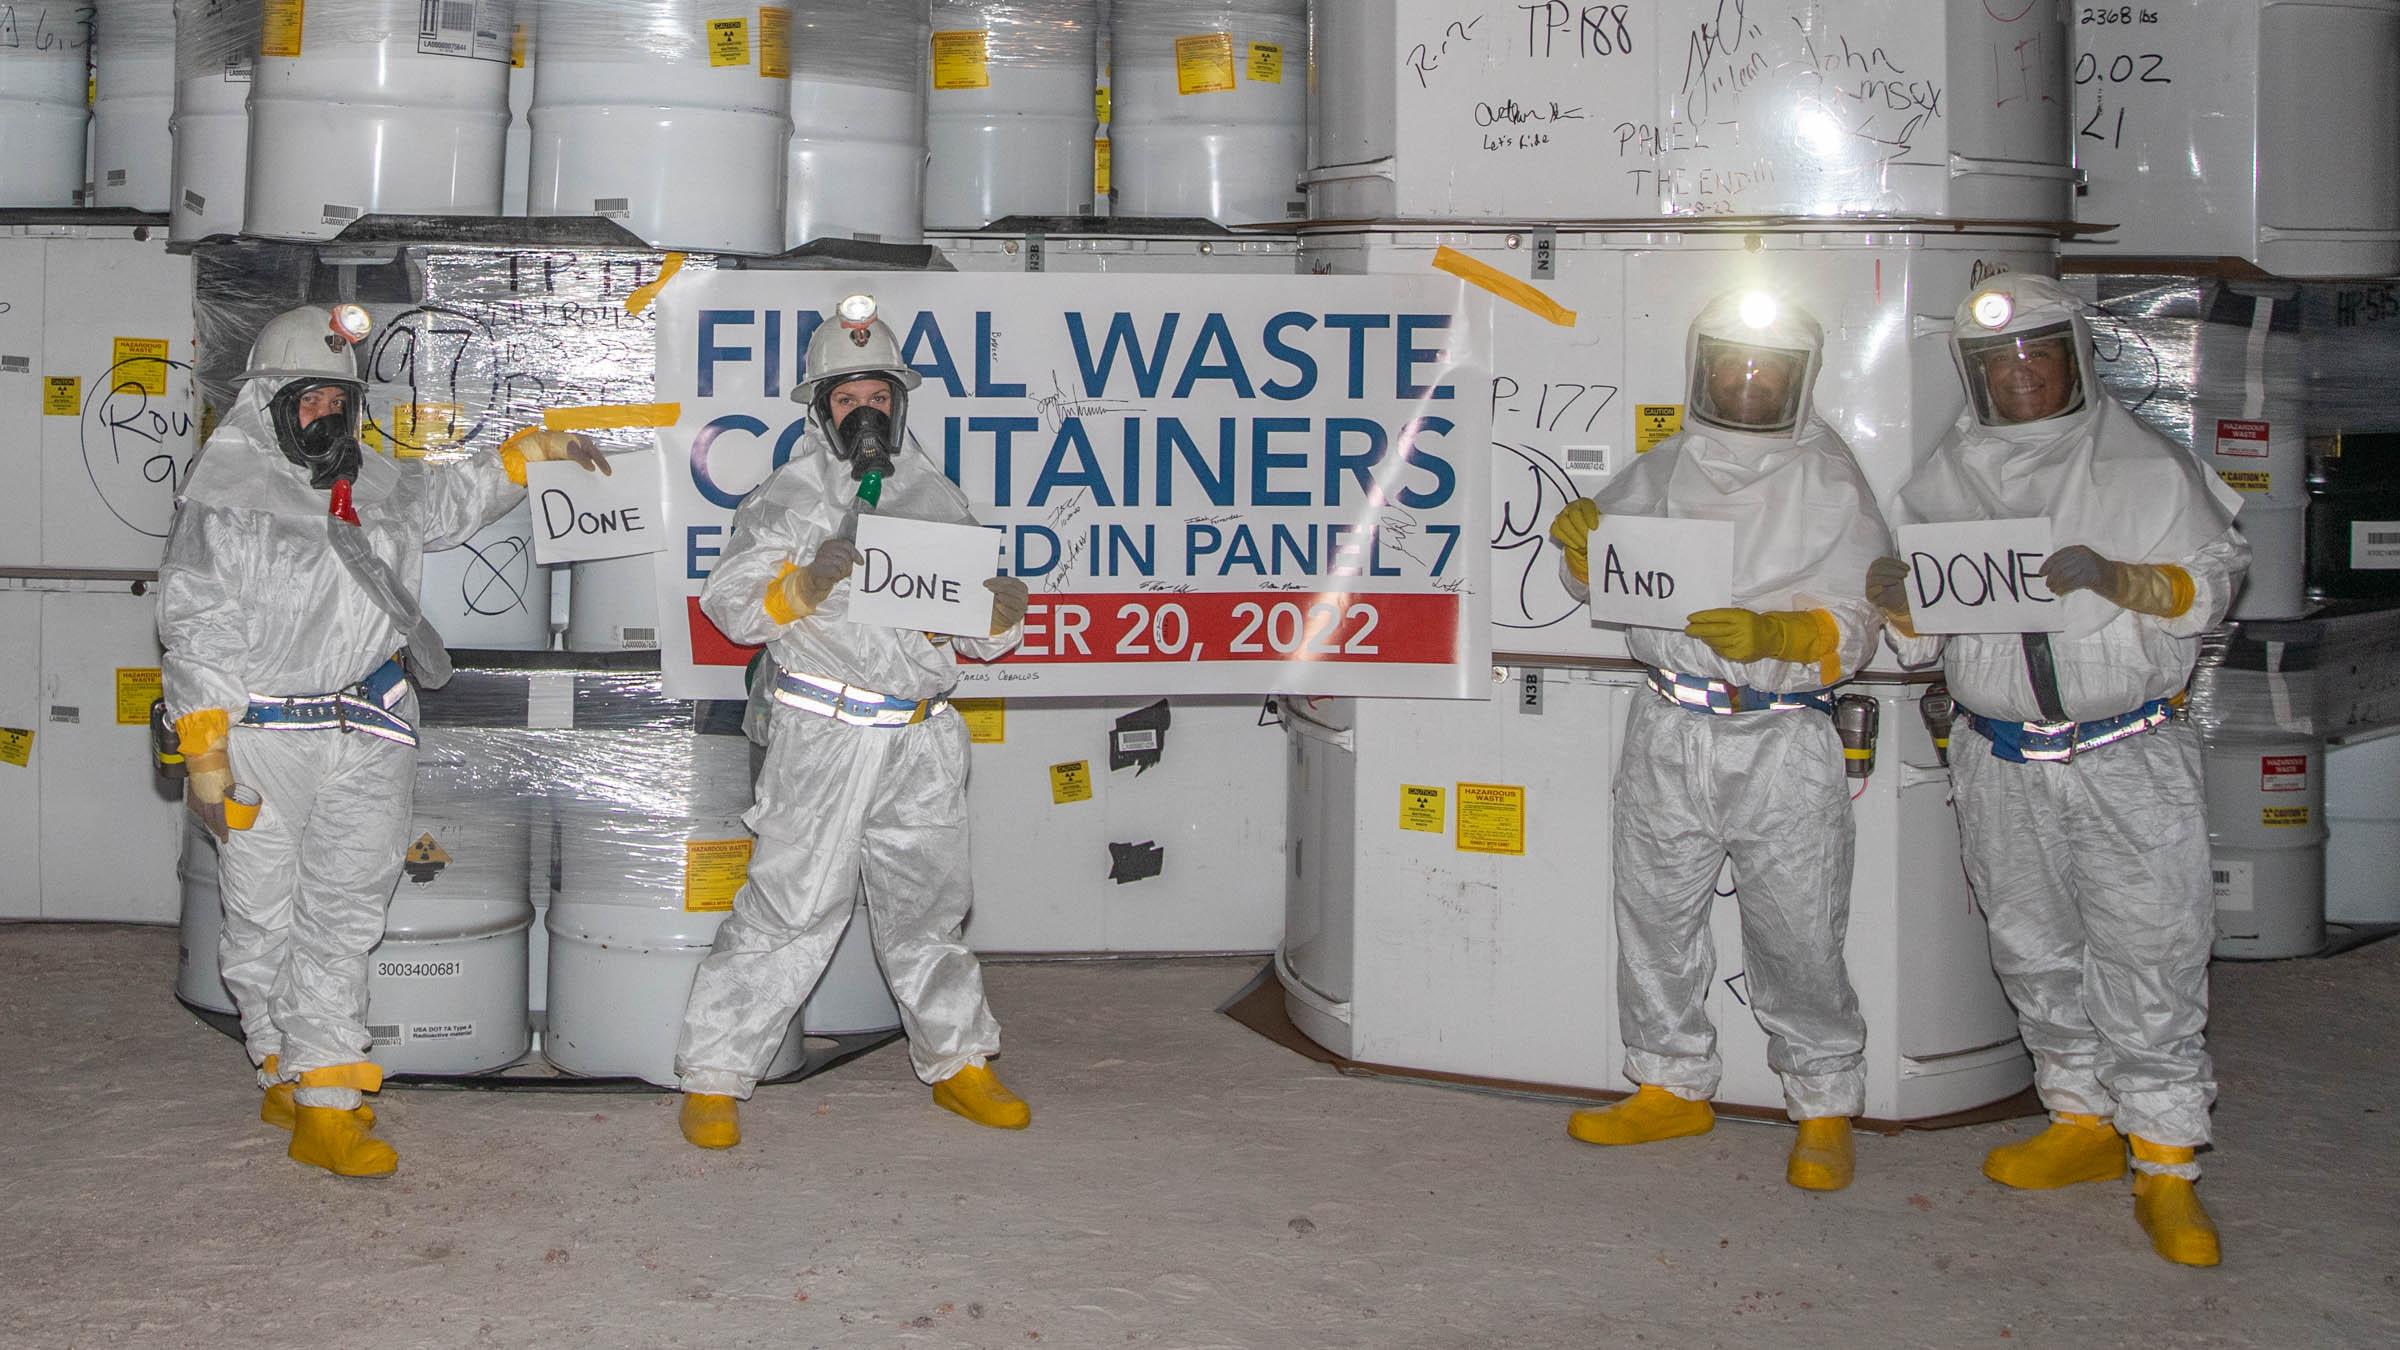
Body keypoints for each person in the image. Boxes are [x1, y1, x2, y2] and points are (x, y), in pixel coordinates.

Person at [159, 304, 605, 1178]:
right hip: (259, 737)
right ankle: (281, 1060)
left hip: (367, 726)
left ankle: (327, 1100)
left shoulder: (381, 487)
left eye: (339, 398)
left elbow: (451, 501)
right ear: (267, 405)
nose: (328, 415)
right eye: (310, 399)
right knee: (261, 923)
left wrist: (526, 453)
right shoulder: (227, 505)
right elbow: (195, 625)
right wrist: (204, 752)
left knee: (343, 916)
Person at [1870, 272, 2247, 1266]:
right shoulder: (1945, 479)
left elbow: (2212, 583)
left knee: (2149, 948)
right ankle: (2079, 1119)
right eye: (2000, 361)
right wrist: (1898, 603)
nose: (2022, 375)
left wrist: (2130, 579)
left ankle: (2166, 1162)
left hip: (2123, 750)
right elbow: (1922, 644)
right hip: (1998, 755)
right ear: (1974, 374)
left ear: (2075, 356)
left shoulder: (2142, 467)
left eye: (2039, 354)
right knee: (2031, 944)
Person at [1545, 291, 1892, 1191]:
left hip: (1780, 737)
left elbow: (1862, 618)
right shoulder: (1662, 468)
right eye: (1732, 363)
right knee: (1653, 917)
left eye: (1766, 369)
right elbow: (1603, 586)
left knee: (1799, 932)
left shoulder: (1829, 479)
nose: (1746, 382)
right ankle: (1670, 1083)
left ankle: (1822, 1103)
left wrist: (1784, 638)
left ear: (1798, 380)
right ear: (1703, 368)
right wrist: (1582, 547)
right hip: (1667, 722)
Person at [674, 293, 1033, 1149]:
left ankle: (959, 1062)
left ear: (899, 402)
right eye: (846, 399)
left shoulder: (935, 494)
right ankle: (717, 1075)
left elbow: (975, 632)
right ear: (820, 409)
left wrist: (1001, 612)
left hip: (921, 734)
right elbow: (730, 607)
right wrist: (797, 586)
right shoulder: (786, 494)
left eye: (878, 396)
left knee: (929, 910)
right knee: (791, 907)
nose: (865, 413)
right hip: (826, 732)